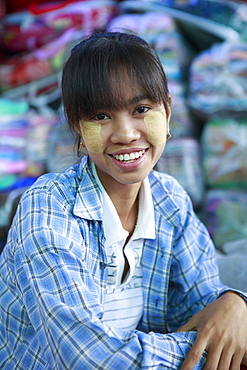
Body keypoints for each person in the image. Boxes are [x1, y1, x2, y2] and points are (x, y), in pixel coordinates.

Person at [0, 32, 247, 370]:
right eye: (100, 116)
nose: (126, 133)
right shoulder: (46, 206)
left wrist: (235, 303)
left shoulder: (170, 200)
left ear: (168, 112)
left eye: (142, 109)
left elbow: (202, 303)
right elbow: (87, 358)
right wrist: (212, 345)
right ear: (77, 129)